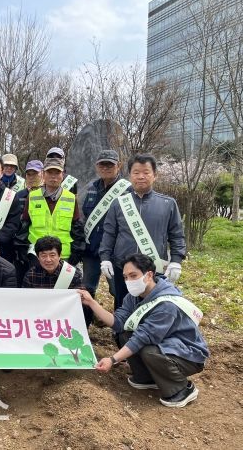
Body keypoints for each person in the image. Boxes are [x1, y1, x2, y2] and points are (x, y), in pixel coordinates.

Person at [79, 253, 208, 408]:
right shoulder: (133, 296)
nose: (129, 281)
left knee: (149, 351)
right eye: (125, 277)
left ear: (149, 275)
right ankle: (146, 378)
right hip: (166, 343)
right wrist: (92, 303)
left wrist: (112, 360)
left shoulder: (166, 304)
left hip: (188, 354)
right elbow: (119, 323)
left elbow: (143, 337)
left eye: (133, 275)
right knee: (125, 334)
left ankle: (181, 389)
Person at [99, 154, 186, 310]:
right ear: (130, 175)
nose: (141, 177)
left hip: (153, 267)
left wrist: (176, 261)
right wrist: (105, 258)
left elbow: (177, 235)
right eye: (136, 172)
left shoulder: (168, 204)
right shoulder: (118, 203)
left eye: (146, 172)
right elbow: (109, 233)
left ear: (155, 175)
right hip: (123, 268)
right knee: (123, 305)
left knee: (152, 307)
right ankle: (122, 326)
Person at [81, 150, 129, 314]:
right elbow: (86, 215)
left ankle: (120, 323)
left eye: (110, 165)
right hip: (92, 248)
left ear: (118, 166)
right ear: (97, 166)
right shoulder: (92, 188)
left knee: (118, 289)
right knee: (88, 288)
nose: (106, 168)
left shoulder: (127, 190)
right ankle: (86, 321)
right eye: (102, 164)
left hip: (115, 251)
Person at [25, 157, 85, 266]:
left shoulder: (71, 198)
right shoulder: (32, 197)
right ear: (43, 174)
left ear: (63, 175)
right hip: (37, 255)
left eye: (57, 172)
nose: (53, 176)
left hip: (63, 256)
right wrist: (23, 252)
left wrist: (77, 252)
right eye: (49, 172)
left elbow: (77, 229)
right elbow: (23, 227)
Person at [22, 236, 91, 326]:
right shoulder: (31, 275)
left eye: (52, 255)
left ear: (60, 255)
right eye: (43, 255)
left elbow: (79, 302)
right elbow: (26, 301)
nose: (48, 259)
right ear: (38, 257)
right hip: (40, 318)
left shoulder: (72, 273)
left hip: (65, 317)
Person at [14, 160, 44, 285]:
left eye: (35, 174)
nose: (31, 177)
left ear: (42, 174)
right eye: (29, 174)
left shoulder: (48, 195)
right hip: (21, 245)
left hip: (40, 245)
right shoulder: (19, 195)